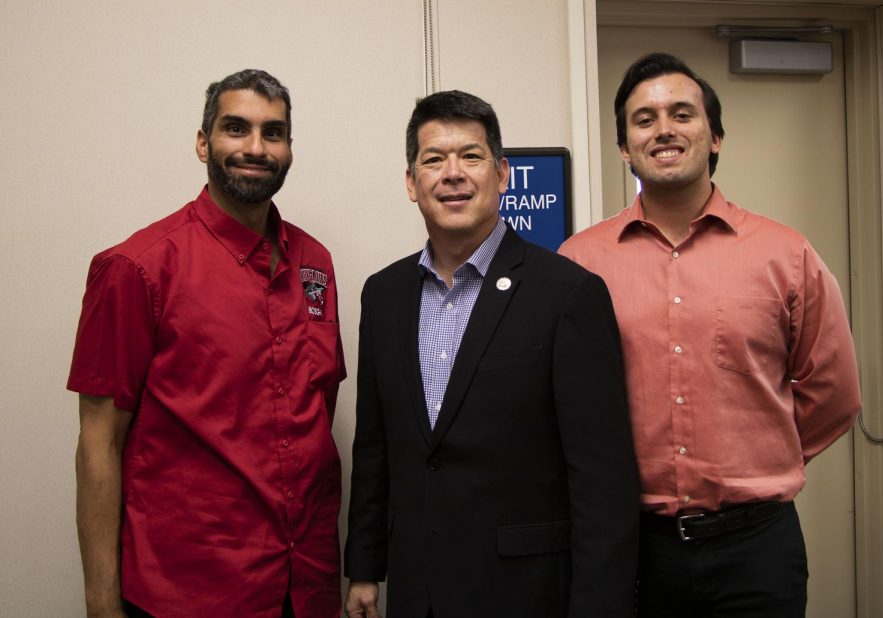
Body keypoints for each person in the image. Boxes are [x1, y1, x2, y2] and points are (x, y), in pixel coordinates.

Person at [559, 53, 862, 617]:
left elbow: (835, 392)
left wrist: (761, 452)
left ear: (715, 136)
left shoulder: (784, 254)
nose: (664, 130)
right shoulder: (580, 263)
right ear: (624, 147)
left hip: (756, 549)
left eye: (682, 114)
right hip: (632, 548)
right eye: (643, 120)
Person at [342, 90, 639, 618]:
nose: (452, 174)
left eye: (471, 157)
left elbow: (602, 481)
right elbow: (375, 446)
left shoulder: (567, 294)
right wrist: (365, 568)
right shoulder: (383, 295)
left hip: (525, 592)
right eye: (433, 160)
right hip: (418, 591)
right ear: (412, 184)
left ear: (502, 174)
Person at [69, 69, 345, 617]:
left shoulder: (315, 263)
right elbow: (99, 444)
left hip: (305, 584)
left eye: (273, 133)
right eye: (235, 128)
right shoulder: (137, 268)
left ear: (290, 148)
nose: (255, 147)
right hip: (191, 590)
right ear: (203, 143)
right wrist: (101, 606)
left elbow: (317, 412)